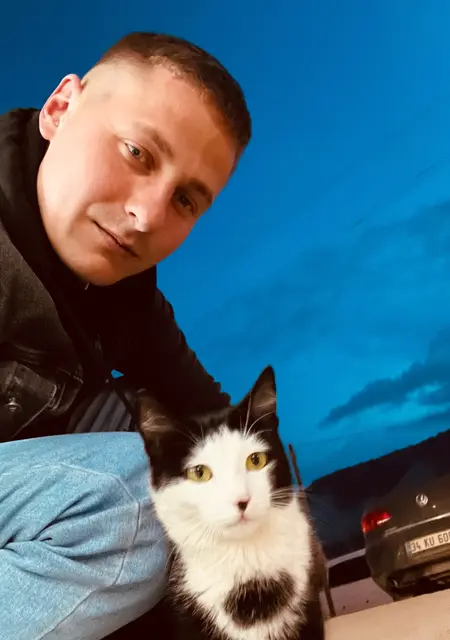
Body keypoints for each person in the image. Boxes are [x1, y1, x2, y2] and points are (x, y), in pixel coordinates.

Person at [0, 32, 251, 639]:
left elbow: (218, 424)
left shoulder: (128, 299)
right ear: (60, 109)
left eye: (185, 200)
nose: (147, 215)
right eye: (137, 152)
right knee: (139, 496)